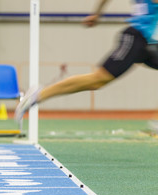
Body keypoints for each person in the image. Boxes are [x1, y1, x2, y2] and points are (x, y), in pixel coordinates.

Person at [15, 0, 158, 122]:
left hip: (146, 42)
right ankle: (38, 94)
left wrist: (97, 13)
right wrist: (97, 13)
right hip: (135, 39)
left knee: (98, 81)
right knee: (98, 80)